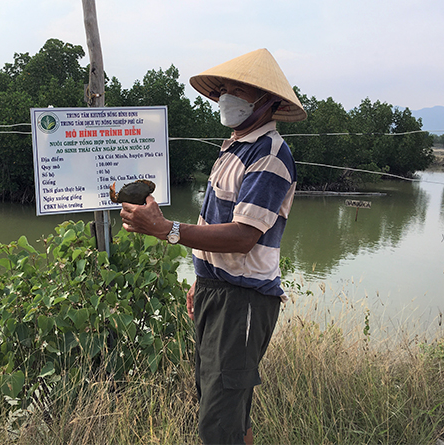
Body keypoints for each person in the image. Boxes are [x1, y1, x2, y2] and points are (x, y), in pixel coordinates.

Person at [119, 48, 307, 445]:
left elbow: (242, 236)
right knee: (225, 410)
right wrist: (201, 278)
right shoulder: (232, 148)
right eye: (223, 88)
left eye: (239, 89)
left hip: (243, 301)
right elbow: (217, 223)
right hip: (216, 292)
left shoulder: (270, 154)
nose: (226, 96)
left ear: (269, 102)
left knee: (219, 424)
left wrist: (165, 229)